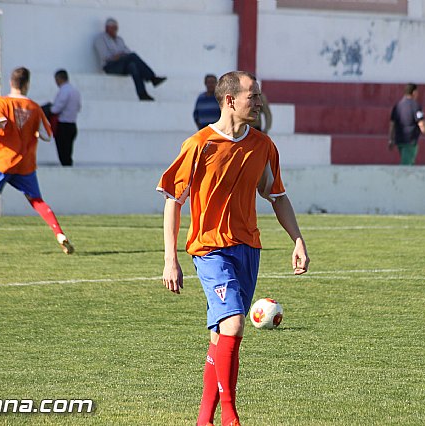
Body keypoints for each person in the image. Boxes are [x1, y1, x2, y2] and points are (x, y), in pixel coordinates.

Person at [157, 71, 309, 426]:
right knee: (236, 324)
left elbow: (277, 196)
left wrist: (297, 239)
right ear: (230, 100)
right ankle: (231, 417)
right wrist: (170, 259)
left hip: (248, 249)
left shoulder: (263, 146)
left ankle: (204, 419)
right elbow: (173, 200)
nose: (258, 103)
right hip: (210, 249)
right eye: (252, 97)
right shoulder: (199, 144)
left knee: (220, 334)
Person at [0, 67, 74, 256]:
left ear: (11, 83)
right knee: (37, 201)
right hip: (25, 163)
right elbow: (47, 136)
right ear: (27, 84)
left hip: (2, 161)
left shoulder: (3, 103)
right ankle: (59, 233)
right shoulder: (34, 107)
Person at [93, 17, 166, 101]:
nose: (115, 30)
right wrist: (119, 56)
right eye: (113, 28)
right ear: (107, 28)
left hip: (121, 65)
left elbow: (127, 51)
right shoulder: (100, 39)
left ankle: (142, 94)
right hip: (110, 67)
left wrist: (122, 56)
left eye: (116, 28)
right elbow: (105, 57)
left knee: (133, 66)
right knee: (133, 56)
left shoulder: (119, 40)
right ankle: (152, 78)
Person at [388, 83, 425, 165]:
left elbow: (392, 125)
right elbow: (422, 124)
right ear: (414, 92)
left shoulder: (397, 106)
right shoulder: (415, 106)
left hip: (399, 139)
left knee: (409, 162)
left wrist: (391, 139)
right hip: (410, 140)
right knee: (406, 165)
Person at [46, 69, 81, 166]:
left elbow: (56, 109)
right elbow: (78, 107)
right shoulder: (75, 91)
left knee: (63, 153)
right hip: (72, 124)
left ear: (59, 79)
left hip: (63, 125)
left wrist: (47, 109)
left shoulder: (64, 91)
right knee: (68, 151)